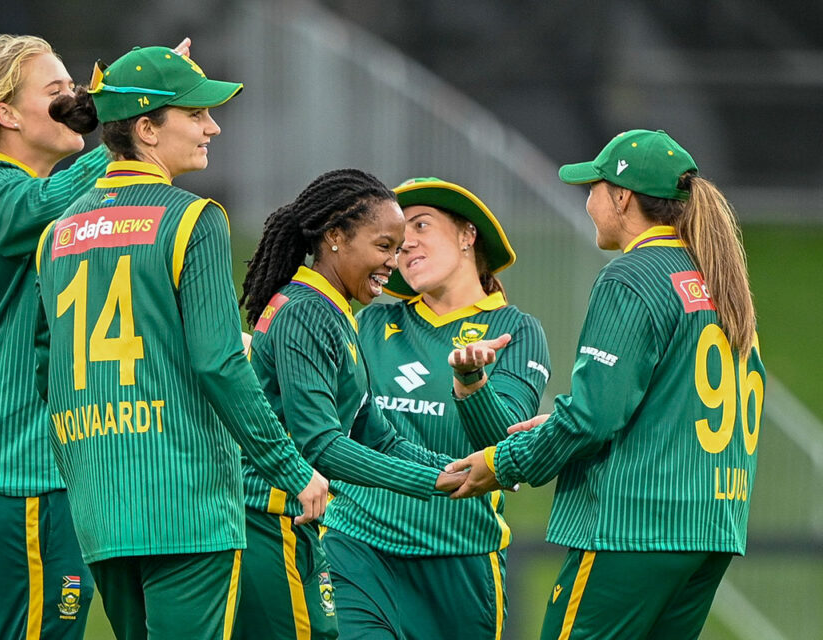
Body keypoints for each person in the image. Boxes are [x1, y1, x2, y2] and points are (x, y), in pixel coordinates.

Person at [36, 46, 328, 640]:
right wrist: (291, 469)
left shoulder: (57, 235)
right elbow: (220, 363)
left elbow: (52, 371)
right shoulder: (194, 219)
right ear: (147, 129)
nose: (211, 127)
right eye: (194, 114)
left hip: (100, 509)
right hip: (185, 506)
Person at [447, 130, 765, 640]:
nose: (588, 200)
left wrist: (503, 461)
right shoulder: (714, 278)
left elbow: (594, 417)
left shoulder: (631, 276)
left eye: (593, 187)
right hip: (712, 529)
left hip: (633, 530)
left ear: (621, 196)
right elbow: (671, 402)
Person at [0, 34, 195, 639]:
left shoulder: (5, 196)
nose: (74, 101)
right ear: (5, 114)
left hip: (15, 467)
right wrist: (132, 120)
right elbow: (44, 203)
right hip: (14, 465)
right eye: (56, 93)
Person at [232, 169, 491, 640]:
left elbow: (375, 432)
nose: (394, 261)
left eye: (398, 248)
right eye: (383, 245)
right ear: (335, 237)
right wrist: (432, 481)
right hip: (266, 521)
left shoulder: (334, 311)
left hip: (294, 521)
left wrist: (458, 467)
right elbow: (321, 445)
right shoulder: (306, 310)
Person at [318, 177, 552, 640]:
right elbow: (325, 424)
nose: (409, 244)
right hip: (357, 547)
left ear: (468, 234)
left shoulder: (517, 330)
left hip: (460, 560)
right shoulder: (371, 321)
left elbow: (503, 449)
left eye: (421, 225)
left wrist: (471, 381)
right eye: (400, 239)